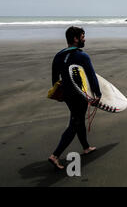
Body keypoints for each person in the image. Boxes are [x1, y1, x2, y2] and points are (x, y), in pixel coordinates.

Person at [48, 26, 101, 170]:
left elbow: (55, 79)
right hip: (80, 94)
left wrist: (59, 94)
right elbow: (91, 77)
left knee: (78, 119)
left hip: (67, 95)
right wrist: (98, 94)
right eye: (83, 37)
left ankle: (86, 147)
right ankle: (55, 155)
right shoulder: (82, 56)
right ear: (76, 38)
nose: (85, 39)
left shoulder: (58, 55)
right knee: (75, 122)